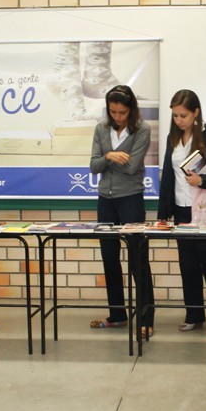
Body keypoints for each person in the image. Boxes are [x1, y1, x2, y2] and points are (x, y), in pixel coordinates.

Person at [156, 89, 206, 336]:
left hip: (205, 209)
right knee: (187, 264)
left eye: (183, 115)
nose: (179, 120)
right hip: (181, 210)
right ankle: (194, 314)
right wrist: (163, 212)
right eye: (175, 116)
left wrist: (202, 180)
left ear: (196, 112)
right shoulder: (173, 138)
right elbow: (169, 176)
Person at [88, 85, 154, 332]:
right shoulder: (100, 129)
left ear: (131, 110)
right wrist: (111, 157)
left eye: (122, 112)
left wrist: (109, 158)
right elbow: (94, 166)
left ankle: (147, 319)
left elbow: (132, 166)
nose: (117, 116)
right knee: (109, 258)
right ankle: (117, 315)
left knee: (138, 259)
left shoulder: (142, 130)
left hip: (131, 199)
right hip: (105, 200)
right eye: (113, 111)